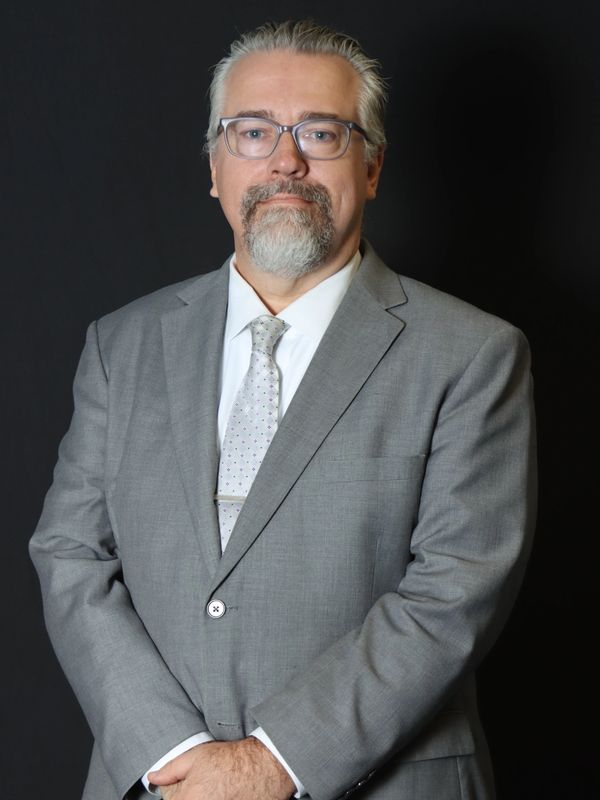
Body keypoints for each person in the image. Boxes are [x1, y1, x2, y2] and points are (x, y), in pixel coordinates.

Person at [30, 19, 536, 800]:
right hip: (156, 783)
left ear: (372, 167)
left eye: (322, 133)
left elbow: (453, 594)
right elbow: (70, 555)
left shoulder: (472, 354)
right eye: (254, 131)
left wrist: (272, 762)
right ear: (214, 166)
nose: (286, 161)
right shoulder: (119, 345)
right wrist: (170, 749)